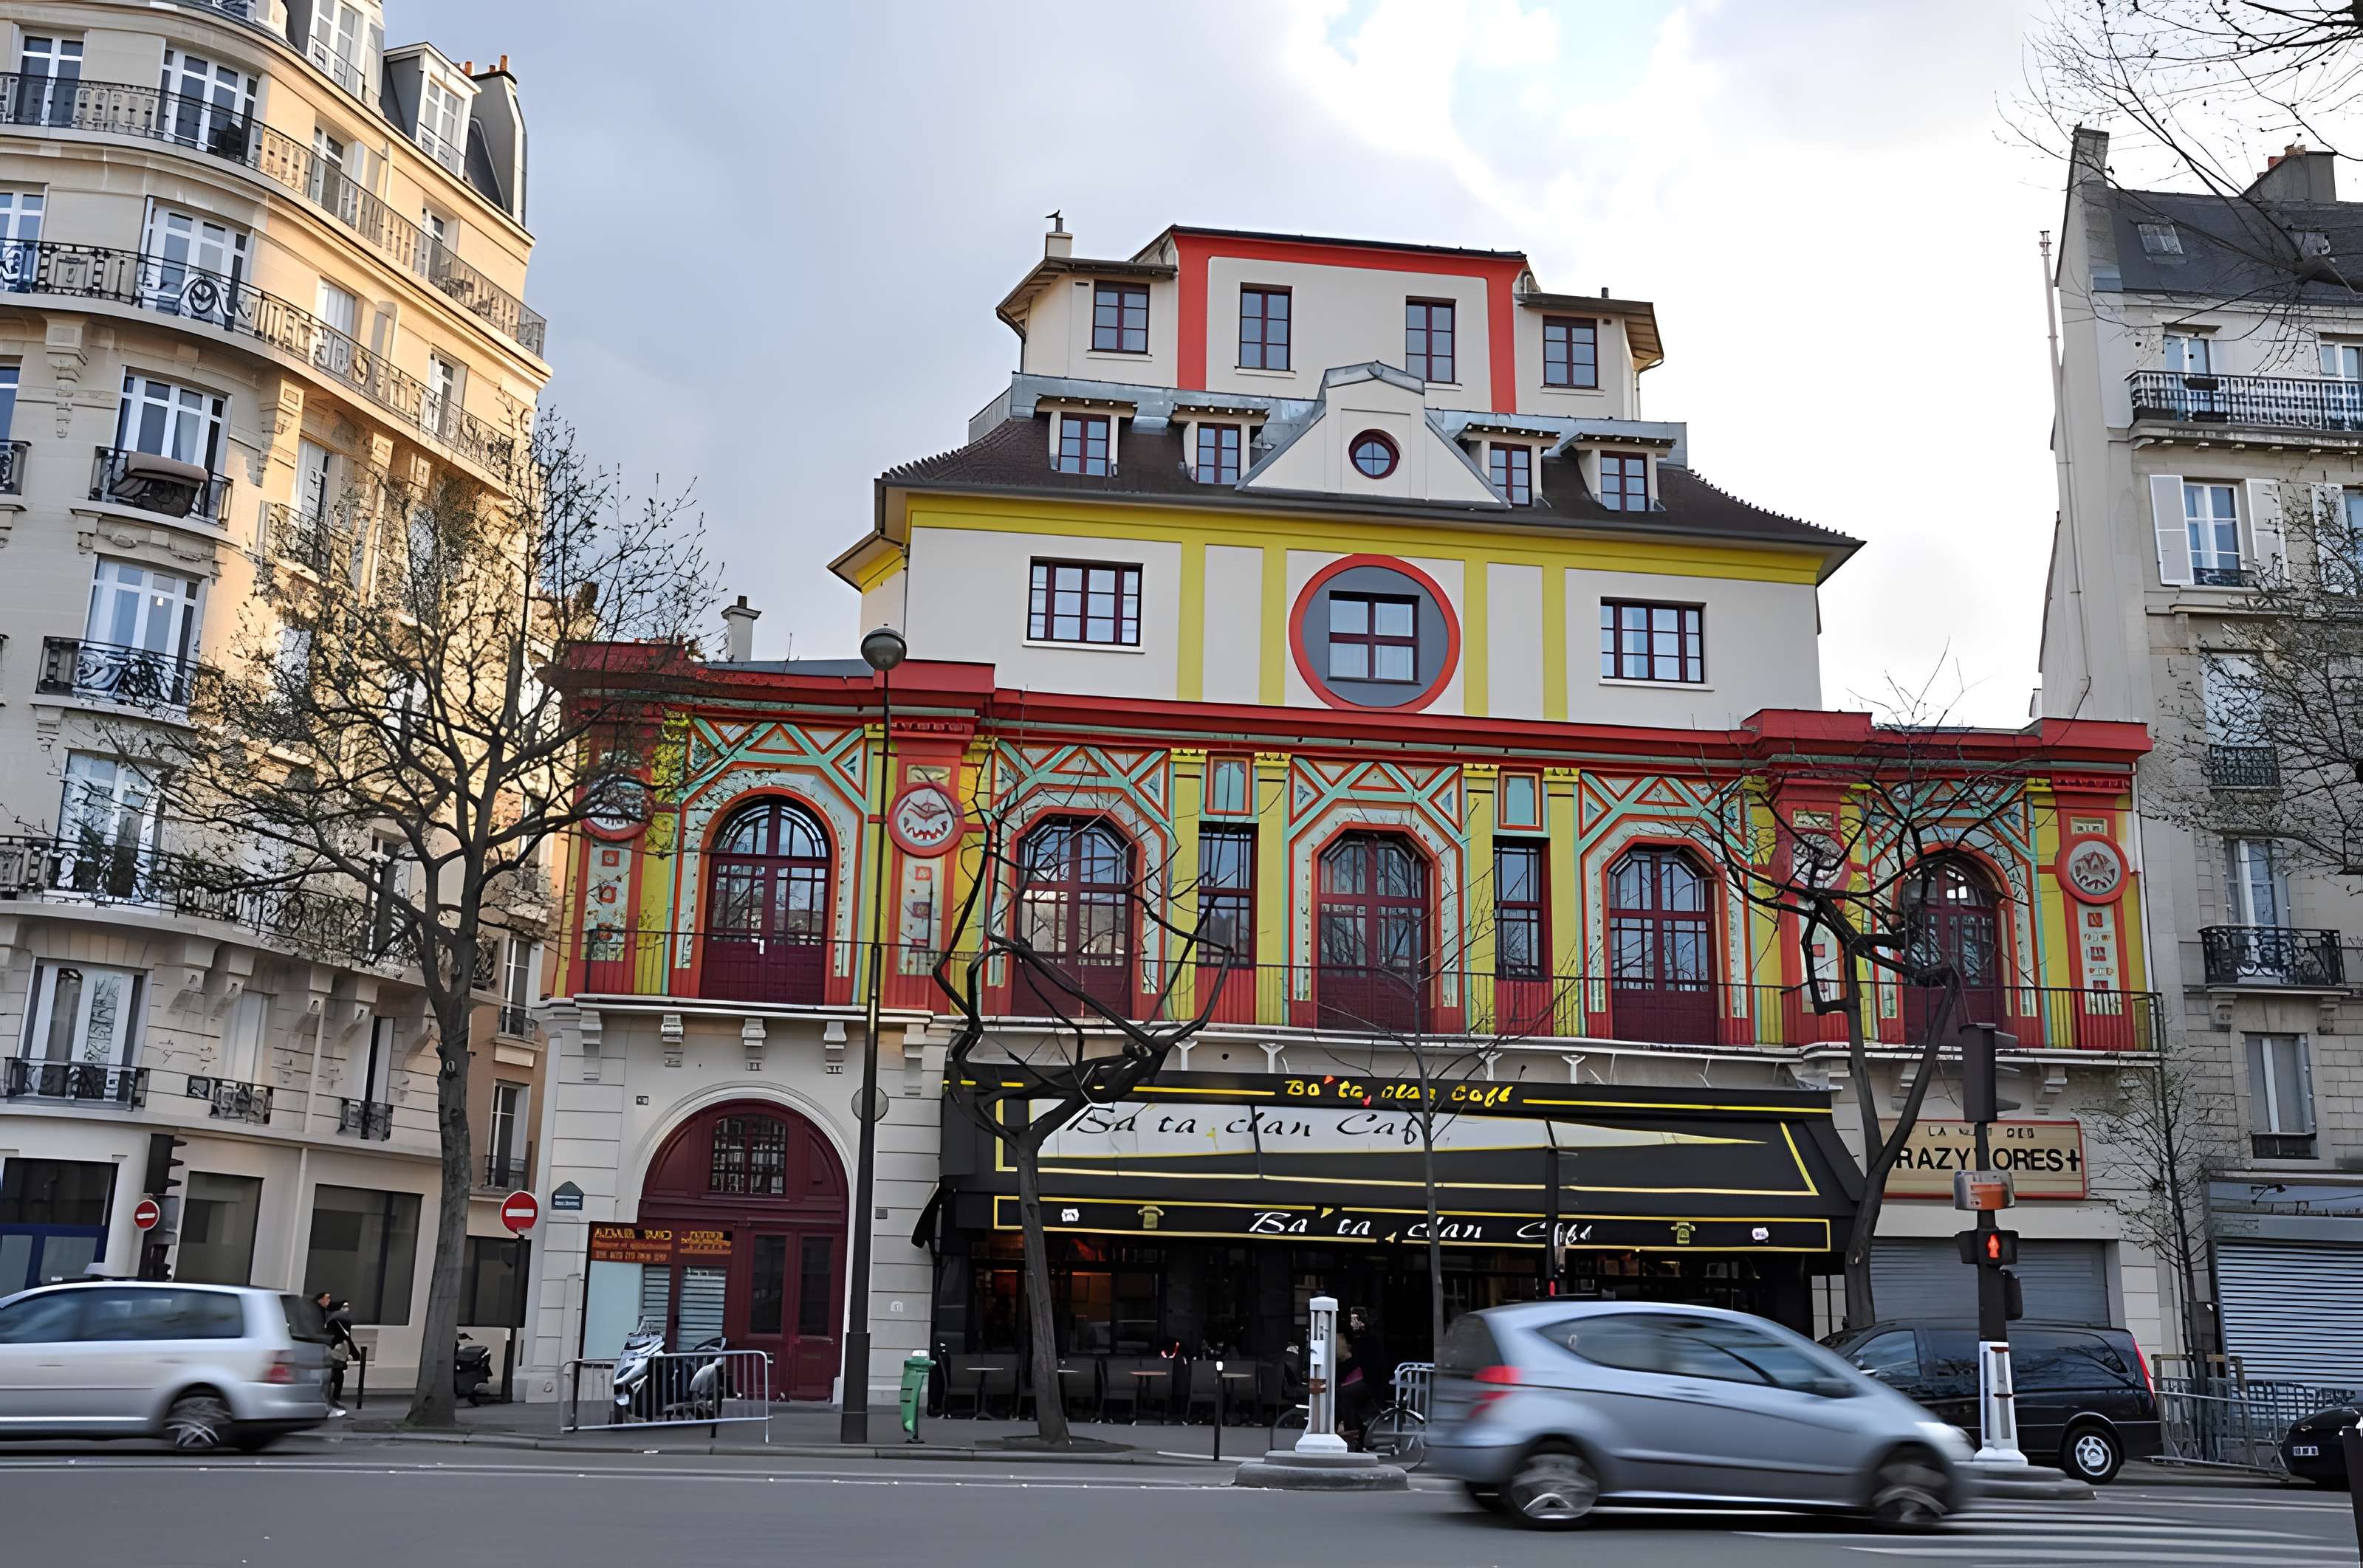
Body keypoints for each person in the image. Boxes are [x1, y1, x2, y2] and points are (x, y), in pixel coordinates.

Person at [1337, 1306, 1392, 1445]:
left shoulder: (1365, 1341)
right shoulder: (1367, 1340)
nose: (1355, 1323)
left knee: (1345, 1395)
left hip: (1369, 1382)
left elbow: (1361, 1363)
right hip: (1370, 1381)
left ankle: (1352, 1431)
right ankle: (1357, 1431)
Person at [315, 1292, 359, 1415]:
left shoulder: (338, 1319)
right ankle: (334, 1396)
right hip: (336, 1350)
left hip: (338, 1350)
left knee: (336, 1373)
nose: (346, 1310)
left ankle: (333, 1396)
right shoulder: (336, 1320)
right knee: (336, 1373)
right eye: (344, 1307)